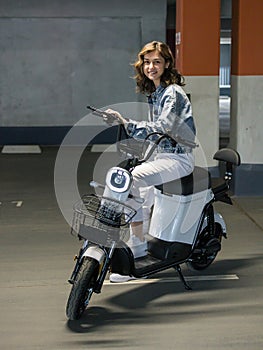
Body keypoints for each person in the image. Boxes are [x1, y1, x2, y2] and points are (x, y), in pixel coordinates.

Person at [103, 41, 196, 282]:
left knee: (133, 180)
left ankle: (137, 250)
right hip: (163, 155)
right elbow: (158, 135)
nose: (151, 66)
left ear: (167, 64)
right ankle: (139, 250)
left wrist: (126, 123)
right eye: (147, 62)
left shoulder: (173, 92)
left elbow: (163, 127)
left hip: (178, 158)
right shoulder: (156, 93)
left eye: (156, 62)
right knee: (138, 197)